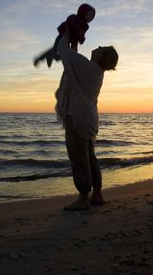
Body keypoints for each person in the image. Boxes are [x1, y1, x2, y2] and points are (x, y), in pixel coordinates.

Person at [55, 22, 119, 211]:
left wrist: (67, 34)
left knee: (78, 157)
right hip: (88, 119)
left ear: (102, 56)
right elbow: (73, 60)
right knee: (89, 156)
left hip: (78, 118)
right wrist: (74, 42)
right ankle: (97, 194)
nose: (97, 47)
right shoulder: (94, 70)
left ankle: (83, 197)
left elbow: (64, 53)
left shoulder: (88, 68)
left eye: (102, 49)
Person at [33, 4, 96, 68]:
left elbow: (81, 37)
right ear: (83, 12)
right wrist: (77, 31)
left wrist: (81, 38)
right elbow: (69, 22)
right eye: (89, 14)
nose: (90, 18)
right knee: (56, 50)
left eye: (92, 16)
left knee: (67, 56)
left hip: (73, 42)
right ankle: (40, 58)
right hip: (62, 37)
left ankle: (50, 56)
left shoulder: (85, 26)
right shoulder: (73, 17)